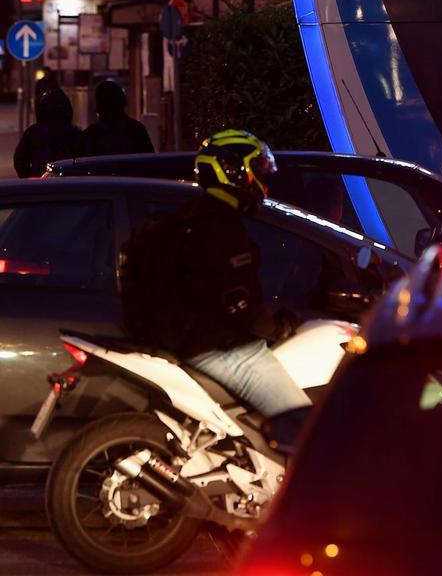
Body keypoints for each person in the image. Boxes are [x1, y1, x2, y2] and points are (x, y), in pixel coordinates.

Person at [121, 129, 310, 419]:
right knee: (302, 423)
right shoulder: (221, 228)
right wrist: (278, 328)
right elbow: (240, 304)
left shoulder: (191, 217)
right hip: (217, 347)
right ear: (234, 171)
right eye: (257, 169)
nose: (262, 180)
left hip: (183, 340)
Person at [14, 87, 82, 178]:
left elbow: (20, 160)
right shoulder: (74, 133)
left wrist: (29, 177)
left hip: (41, 185)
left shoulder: (34, 132)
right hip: (69, 184)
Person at [80, 79, 154, 157]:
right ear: (122, 102)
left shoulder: (90, 136)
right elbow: (150, 163)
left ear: (98, 106)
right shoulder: (137, 130)